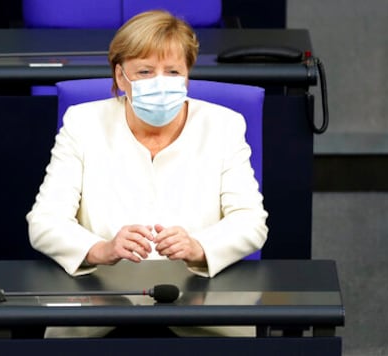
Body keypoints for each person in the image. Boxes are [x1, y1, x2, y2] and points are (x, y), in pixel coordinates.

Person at [26, 9, 268, 337]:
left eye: (172, 71)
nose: (160, 82)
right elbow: (44, 222)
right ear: (120, 75)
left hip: (201, 308)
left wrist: (199, 246)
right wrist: (100, 249)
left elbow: (251, 222)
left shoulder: (223, 125)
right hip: (99, 307)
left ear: (187, 76)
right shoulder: (82, 124)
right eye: (145, 71)